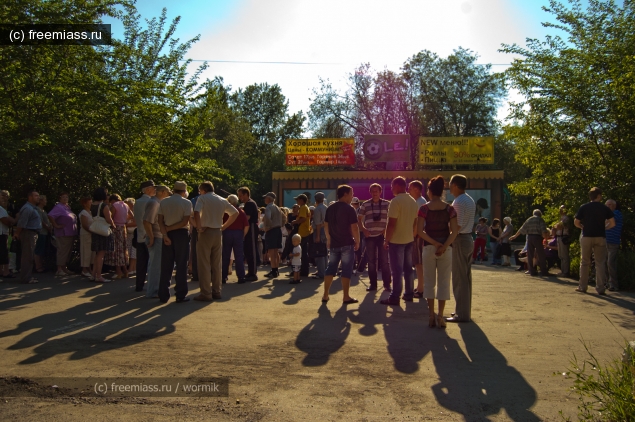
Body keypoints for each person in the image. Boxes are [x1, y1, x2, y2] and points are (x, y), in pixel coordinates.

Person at [416, 176, 459, 328]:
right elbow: (454, 231)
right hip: (446, 249)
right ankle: (441, 315)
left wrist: (434, 243)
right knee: (443, 282)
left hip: (428, 247)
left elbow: (419, 231)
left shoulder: (424, 209)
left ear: (429, 191)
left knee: (429, 282)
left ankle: (431, 315)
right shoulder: (450, 209)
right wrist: (444, 246)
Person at [194, 181, 238, 301]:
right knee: (216, 263)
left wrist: (198, 227)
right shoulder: (222, 200)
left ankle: (206, 293)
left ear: (203, 190)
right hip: (217, 232)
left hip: (205, 231)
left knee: (204, 263)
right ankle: (217, 291)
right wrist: (223, 226)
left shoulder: (202, 198)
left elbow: (196, 212)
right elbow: (235, 213)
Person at [380, 177, 419, 306]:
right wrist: (412, 235)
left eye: (392, 186)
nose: (391, 189)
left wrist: (386, 240)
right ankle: (408, 294)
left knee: (396, 270)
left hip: (397, 240)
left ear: (397, 185)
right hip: (409, 239)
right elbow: (415, 222)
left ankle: (395, 296)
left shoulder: (395, 201)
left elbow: (391, 224)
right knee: (408, 269)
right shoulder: (413, 201)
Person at [321, 184, 360, 304]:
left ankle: (325, 295)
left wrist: (329, 239)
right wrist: (357, 241)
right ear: (345, 194)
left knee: (330, 268)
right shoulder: (350, 209)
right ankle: (346, 296)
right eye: (351, 193)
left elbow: (326, 225)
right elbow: (354, 227)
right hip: (347, 243)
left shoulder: (330, 208)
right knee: (346, 270)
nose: (352, 196)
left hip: (334, 244)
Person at [574, 187, 615, 294]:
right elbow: (613, 223)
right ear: (599, 196)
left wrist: (582, 227)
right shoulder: (604, 208)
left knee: (585, 262)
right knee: (600, 263)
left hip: (587, 236)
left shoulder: (584, 207)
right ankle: (600, 288)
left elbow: (576, 222)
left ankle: (582, 286)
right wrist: (605, 227)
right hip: (600, 236)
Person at [446, 174, 475, 323]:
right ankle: (464, 311)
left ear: (456, 185)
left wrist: (446, 242)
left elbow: (457, 226)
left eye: (451, 184)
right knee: (466, 277)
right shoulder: (469, 199)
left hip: (460, 239)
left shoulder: (458, 202)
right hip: (468, 238)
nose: (449, 187)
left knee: (459, 278)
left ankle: (461, 314)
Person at [158, 181, 193, 303]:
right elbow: (184, 222)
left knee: (166, 265)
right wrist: (170, 229)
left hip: (167, 234)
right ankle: (180, 294)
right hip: (181, 234)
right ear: (184, 191)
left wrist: (165, 233)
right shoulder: (186, 203)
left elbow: (160, 221)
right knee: (181, 264)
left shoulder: (164, 201)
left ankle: (163, 294)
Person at [357, 184, 391, 292]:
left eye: (376, 191)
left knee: (385, 261)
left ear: (380, 192)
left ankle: (387, 284)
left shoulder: (387, 204)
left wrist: (387, 230)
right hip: (369, 236)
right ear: (370, 192)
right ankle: (373, 284)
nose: (374, 193)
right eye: (372, 191)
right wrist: (364, 229)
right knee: (371, 261)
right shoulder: (365, 204)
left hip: (383, 235)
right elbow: (359, 219)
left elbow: (392, 218)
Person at [143, 185, 171, 298]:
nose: (169, 195)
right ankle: (153, 291)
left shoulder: (156, 202)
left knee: (156, 265)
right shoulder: (154, 203)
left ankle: (155, 289)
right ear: (162, 192)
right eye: (168, 192)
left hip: (158, 236)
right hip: (156, 237)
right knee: (155, 266)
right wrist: (152, 236)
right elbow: (146, 221)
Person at [14, 190, 42, 284]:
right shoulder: (28, 208)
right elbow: (21, 223)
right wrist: (17, 233)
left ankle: (28, 276)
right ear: (30, 197)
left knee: (30, 256)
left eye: (38, 196)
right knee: (27, 256)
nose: (38, 197)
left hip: (32, 233)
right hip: (28, 233)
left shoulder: (33, 208)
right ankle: (26, 278)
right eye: (36, 196)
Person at [510, 210, 549, 276]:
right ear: (540, 214)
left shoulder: (529, 219)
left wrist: (515, 236)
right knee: (541, 254)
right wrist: (546, 239)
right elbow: (543, 230)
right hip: (537, 237)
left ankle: (531, 271)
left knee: (530, 255)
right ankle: (544, 271)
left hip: (530, 237)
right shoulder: (540, 219)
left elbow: (521, 229)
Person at [48, 192, 78, 276]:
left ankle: (64, 268)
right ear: (60, 198)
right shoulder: (58, 207)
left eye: (66, 197)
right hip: (63, 233)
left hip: (70, 232)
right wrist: (56, 225)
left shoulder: (67, 207)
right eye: (63, 197)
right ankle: (59, 269)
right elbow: (50, 215)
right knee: (62, 250)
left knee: (67, 251)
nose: (65, 198)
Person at [133, 180, 156, 292]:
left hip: (140, 235)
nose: (155, 190)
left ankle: (139, 285)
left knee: (141, 263)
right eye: (153, 188)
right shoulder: (150, 202)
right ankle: (151, 286)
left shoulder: (137, 202)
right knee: (152, 263)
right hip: (149, 235)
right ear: (148, 190)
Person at [222, 194, 248, 284]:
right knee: (239, 256)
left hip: (227, 233)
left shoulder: (225, 212)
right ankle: (241, 277)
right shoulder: (241, 211)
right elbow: (246, 226)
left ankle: (223, 277)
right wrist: (243, 235)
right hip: (238, 233)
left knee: (225, 255)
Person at [90, 188, 115, 283]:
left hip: (96, 230)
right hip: (103, 231)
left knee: (97, 254)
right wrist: (113, 225)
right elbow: (109, 219)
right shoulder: (104, 205)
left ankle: (93, 274)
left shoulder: (92, 205)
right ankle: (99, 275)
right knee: (101, 254)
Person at [408, 180, 427, 298]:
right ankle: (420, 286)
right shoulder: (420, 201)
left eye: (410, 189)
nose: (408, 191)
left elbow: (418, 222)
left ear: (416, 190)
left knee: (419, 263)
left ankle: (421, 289)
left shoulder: (419, 202)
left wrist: (413, 235)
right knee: (418, 263)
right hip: (418, 235)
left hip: (418, 236)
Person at [106, 194, 131, 279]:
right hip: (123, 228)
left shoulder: (114, 206)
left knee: (116, 250)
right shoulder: (125, 205)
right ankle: (125, 271)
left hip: (116, 228)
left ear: (112, 200)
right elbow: (132, 216)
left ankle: (118, 272)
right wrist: (125, 221)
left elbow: (110, 217)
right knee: (123, 249)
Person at [237, 187, 260, 282]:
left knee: (252, 250)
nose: (240, 197)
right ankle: (250, 272)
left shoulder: (250, 203)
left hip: (251, 227)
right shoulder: (247, 204)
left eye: (241, 195)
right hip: (249, 228)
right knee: (248, 251)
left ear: (246, 194)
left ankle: (253, 273)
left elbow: (247, 217)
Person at [263, 192, 283, 278]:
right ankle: (276, 269)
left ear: (269, 199)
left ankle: (273, 270)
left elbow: (267, 218)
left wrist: (267, 227)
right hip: (278, 230)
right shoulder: (277, 207)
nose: (264, 199)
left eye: (265, 198)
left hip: (272, 230)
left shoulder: (269, 207)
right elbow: (284, 218)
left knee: (271, 251)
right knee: (276, 251)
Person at [292, 194, 312, 277]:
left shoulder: (303, 208)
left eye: (298, 199)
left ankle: (302, 271)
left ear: (302, 200)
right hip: (305, 231)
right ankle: (303, 270)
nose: (297, 201)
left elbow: (303, 219)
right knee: (304, 252)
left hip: (303, 232)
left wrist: (295, 222)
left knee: (301, 253)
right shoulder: (305, 207)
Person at [604, 199, 622, 291]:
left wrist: (605, 225)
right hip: (605, 241)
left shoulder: (617, 213)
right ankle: (607, 283)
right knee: (604, 262)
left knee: (610, 263)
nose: (608, 206)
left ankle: (614, 284)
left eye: (610, 205)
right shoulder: (605, 215)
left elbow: (610, 223)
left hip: (613, 241)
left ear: (614, 206)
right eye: (606, 205)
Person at [311, 192, 328, 280]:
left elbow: (317, 224)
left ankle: (321, 273)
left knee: (319, 253)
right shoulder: (326, 207)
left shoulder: (317, 209)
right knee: (324, 252)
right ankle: (324, 271)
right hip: (325, 231)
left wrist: (317, 235)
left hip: (319, 231)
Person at [34, 195, 52, 273]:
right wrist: (48, 227)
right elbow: (41, 221)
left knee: (42, 249)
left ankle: (41, 265)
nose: (46, 201)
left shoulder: (43, 210)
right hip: (41, 232)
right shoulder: (38, 209)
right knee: (38, 249)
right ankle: (38, 266)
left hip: (45, 232)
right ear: (41, 201)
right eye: (44, 200)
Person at [78, 196, 94, 278]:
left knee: (91, 252)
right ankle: (84, 269)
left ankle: (89, 269)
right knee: (86, 251)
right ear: (84, 204)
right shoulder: (84, 213)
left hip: (91, 234)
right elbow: (84, 225)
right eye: (89, 202)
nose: (91, 204)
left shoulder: (90, 212)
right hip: (86, 234)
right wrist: (92, 231)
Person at [0, 199, 16, 279]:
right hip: (1, 233)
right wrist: (11, 223)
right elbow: (4, 220)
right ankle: (6, 271)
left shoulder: (3, 209)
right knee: (4, 252)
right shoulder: (0, 209)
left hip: (3, 232)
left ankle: (1, 271)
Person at [351, 197, 366, 274]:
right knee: (359, 250)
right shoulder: (358, 210)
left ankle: (360, 267)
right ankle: (359, 266)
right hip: (360, 231)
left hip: (360, 231)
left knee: (358, 250)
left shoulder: (358, 211)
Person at [556, 205, 571, 276]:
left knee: (565, 255)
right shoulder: (560, 218)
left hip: (563, 237)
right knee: (560, 255)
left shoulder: (566, 218)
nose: (561, 211)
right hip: (559, 236)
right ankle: (562, 271)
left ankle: (566, 272)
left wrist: (556, 226)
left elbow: (559, 226)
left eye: (562, 209)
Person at [124, 198, 137, 276]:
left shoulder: (135, 212)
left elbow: (136, 223)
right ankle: (132, 268)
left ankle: (131, 268)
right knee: (130, 251)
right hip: (129, 234)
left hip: (134, 234)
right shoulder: (128, 213)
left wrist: (125, 225)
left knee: (133, 251)